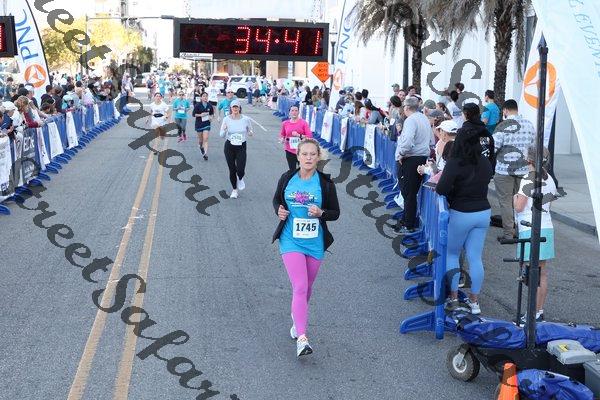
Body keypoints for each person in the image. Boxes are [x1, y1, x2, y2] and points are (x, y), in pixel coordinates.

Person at [272, 138, 340, 357]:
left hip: (314, 242)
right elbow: (277, 201)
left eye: (312, 154)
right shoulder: (287, 178)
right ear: (298, 156)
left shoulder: (325, 184)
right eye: (305, 154)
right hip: (290, 239)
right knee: (300, 286)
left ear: (318, 157)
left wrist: (321, 213)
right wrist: (279, 210)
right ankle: (302, 338)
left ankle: (297, 320)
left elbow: (335, 213)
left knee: (307, 288)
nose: (308, 158)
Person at [436, 103, 494, 315]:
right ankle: (474, 301)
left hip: (461, 211)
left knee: (452, 254)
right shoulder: (484, 161)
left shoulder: (456, 161)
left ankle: (453, 298)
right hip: (483, 211)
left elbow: (441, 188)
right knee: (475, 257)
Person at [514, 146, 558, 324]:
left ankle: (531, 314)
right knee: (542, 273)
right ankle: (538, 311)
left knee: (532, 274)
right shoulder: (550, 179)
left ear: (529, 160)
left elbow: (519, 206)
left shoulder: (528, 178)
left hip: (530, 227)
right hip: (546, 225)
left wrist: (514, 198)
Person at [493, 99, 536, 241]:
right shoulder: (529, 125)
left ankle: (509, 233)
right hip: (523, 169)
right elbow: (533, 147)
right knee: (521, 202)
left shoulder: (502, 126)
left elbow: (494, 146)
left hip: (504, 170)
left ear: (505, 110)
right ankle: (522, 231)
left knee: (505, 202)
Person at [394, 97, 433, 234]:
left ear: (406, 107)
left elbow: (407, 140)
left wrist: (401, 154)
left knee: (408, 193)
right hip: (420, 157)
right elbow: (431, 140)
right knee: (410, 193)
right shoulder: (424, 118)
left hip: (411, 158)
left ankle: (408, 224)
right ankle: (406, 220)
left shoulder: (410, 120)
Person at [219, 100, 253, 199]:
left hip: (241, 146)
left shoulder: (246, 119)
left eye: (236, 107)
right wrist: (225, 130)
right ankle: (234, 190)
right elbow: (221, 135)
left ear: (239, 108)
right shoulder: (226, 119)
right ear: (231, 108)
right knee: (232, 169)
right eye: (233, 107)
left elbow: (250, 130)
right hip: (229, 146)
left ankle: (240, 177)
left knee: (240, 169)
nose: (235, 109)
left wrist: (250, 132)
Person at [279, 105, 313, 171]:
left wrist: (299, 135)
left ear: (298, 112)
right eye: (292, 111)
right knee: (292, 170)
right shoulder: (285, 123)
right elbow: (282, 134)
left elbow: (309, 136)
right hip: (289, 149)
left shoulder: (303, 123)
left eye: (296, 111)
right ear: (289, 112)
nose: (294, 112)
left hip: (302, 150)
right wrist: (282, 139)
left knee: (303, 170)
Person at [193, 92, 214, 160]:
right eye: (204, 96)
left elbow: (212, 114)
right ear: (201, 97)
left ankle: (205, 154)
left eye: (206, 96)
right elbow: (193, 114)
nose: (205, 97)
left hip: (207, 124)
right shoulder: (198, 105)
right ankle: (201, 146)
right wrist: (200, 115)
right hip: (199, 124)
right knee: (201, 140)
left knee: (206, 138)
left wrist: (211, 118)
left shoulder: (209, 105)